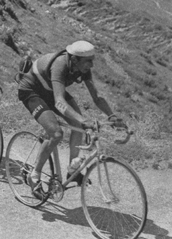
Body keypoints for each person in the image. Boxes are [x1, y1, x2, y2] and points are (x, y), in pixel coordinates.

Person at [17, 40, 125, 193]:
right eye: (88, 61)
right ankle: (34, 175)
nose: (91, 65)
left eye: (92, 61)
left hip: (50, 91)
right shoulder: (59, 65)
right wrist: (84, 120)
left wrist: (112, 115)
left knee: (79, 127)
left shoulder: (83, 68)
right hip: (31, 91)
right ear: (74, 59)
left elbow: (97, 97)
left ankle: (72, 171)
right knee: (56, 133)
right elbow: (59, 102)